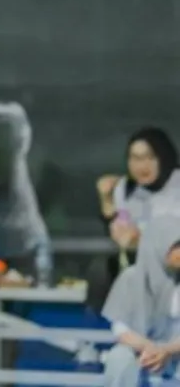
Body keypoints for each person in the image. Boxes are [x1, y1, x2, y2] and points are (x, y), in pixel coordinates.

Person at [88, 127, 180, 313]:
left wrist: (145, 240)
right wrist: (108, 202)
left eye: (149, 157)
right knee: (101, 270)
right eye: (135, 158)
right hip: (140, 270)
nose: (141, 165)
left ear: (164, 157)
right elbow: (121, 225)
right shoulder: (125, 188)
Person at [102, 215, 180, 386]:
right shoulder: (131, 278)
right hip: (140, 350)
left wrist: (166, 350)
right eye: (176, 245)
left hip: (175, 351)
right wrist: (151, 349)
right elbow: (121, 330)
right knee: (119, 358)